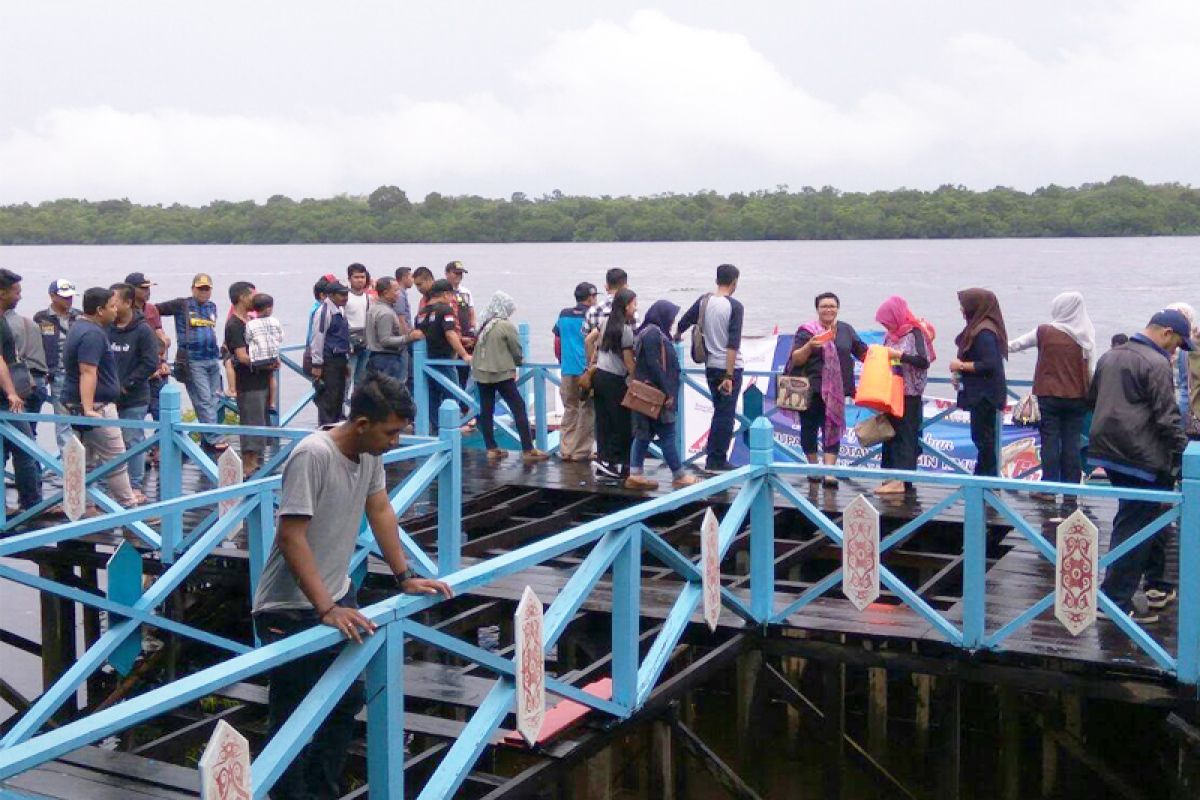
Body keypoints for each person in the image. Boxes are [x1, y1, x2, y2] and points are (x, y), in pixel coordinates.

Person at [251, 374, 452, 798]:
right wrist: (326, 609)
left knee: (344, 701)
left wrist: (404, 576)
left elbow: (379, 509)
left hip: (338, 593)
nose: (395, 442)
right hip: (287, 607)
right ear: (362, 423)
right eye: (391, 432)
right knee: (292, 717)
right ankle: (286, 794)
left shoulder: (369, 453)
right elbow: (291, 536)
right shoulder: (313, 455)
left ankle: (321, 791)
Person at [1090, 309, 1192, 623]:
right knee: (1137, 525)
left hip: (1107, 453)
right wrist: (1183, 452)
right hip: (1143, 456)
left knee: (1139, 517)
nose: (1176, 350)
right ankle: (1113, 600)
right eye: (1177, 342)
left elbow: (1090, 398)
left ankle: (1155, 586)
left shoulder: (1110, 355)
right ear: (1165, 332)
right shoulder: (1156, 362)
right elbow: (1166, 415)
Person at [1008, 292, 1095, 498]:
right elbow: (1090, 369)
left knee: (1050, 442)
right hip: (1076, 398)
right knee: (1072, 443)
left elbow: (1016, 344)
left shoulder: (1045, 331)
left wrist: (995, 345)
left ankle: (1047, 488)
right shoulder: (1085, 334)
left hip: (1048, 396)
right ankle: (1071, 490)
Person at [61, 287, 138, 508]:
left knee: (87, 462)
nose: (116, 311)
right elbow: (87, 371)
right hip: (96, 405)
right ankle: (128, 507)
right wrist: (88, 408)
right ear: (99, 310)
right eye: (112, 306)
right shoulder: (92, 334)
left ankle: (83, 507)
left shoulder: (79, 326)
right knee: (116, 459)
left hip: (77, 401)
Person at [786, 292, 869, 486]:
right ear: (817, 309)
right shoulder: (807, 331)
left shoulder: (846, 330)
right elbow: (795, 358)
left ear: (838, 308)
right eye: (824, 306)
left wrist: (892, 359)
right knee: (809, 429)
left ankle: (829, 472)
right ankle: (814, 469)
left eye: (832, 306)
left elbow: (863, 353)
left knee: (832, 429)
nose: (828, 309)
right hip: (811, 390)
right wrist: (809, 346)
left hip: (836, 392)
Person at [625, 300, 700, 491]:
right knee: (667, 434)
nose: (673, 320)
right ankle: (678, 474)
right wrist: (668, 392)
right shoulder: (652, 334)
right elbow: (654, 364)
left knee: (643, 434)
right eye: (671, 316)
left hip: (648, 393)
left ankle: (636, 473)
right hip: (656, 395)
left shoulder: (649, 332)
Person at [677, 264, 744, 473]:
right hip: (728, 368)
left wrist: (677, 338)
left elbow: (682, 324)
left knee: (719, 412)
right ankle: (716, 460)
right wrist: (729, 375)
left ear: (717, 281)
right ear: (734, 283)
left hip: (710, 365)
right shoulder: (735, 306)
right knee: (725, 415)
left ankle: (713, 456)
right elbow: (733, 344)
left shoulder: (703, 301)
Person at [471, 291, 549, 463]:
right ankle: (528, 448)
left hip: (481, 373)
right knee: (518, 407)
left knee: (486, 409)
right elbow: (516, 348)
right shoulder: (505, 326)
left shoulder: (484, 324)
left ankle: (491, 447)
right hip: (501, 373)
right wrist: (519, 361)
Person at [156, 274, 225, 451]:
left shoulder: (212, 306)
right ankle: (215, 439)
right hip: (193, 360)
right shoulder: (182, 304)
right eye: (200, 288)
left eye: (207, 289)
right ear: (193, 289)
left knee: (214, 399)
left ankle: (206, 438)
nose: (203, 292)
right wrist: (159, 333)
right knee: (203, 400)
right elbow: (154, 310)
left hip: (212, 358)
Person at [874, 296, 934, 495]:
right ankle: (890, 477)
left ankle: (902, 480)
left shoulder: (914, 332)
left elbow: (922, 361)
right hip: (891, 392)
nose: (887, 325)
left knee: (906, 436)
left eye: (888, 320)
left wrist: (898, 355)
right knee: (889, 435)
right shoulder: (890, 336)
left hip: (909, 393)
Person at [108, 283, 158, 503]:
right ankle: (108, 486)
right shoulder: (106, 327)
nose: (111, 305)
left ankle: (135, 486)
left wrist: (127, 384)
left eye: (114, 301)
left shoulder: (143, 329)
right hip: (107, 397)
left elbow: (150, 362)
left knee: (133, 441)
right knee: (108, 442)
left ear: (127, 302)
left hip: (134, 396)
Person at [949, 289, 1008, 477]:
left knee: (984, 439)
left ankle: (985, 480)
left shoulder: (984, 333)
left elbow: (990, 364)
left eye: (964, 305)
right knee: (982, 439)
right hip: (981, 393)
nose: (961, 309)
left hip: (985, 396)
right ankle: (983, 478)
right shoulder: (981, 328)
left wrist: (962, 366)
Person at [0, 269, 41, 514]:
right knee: (26, 448)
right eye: (16, 292)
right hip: (4, 400)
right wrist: (11, 392)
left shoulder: (4, 317)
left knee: (7, 451)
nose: (20, 296)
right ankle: (32, 503)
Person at [586, 288, 638, 480]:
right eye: (634, 304)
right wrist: (636, 378)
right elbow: (628, 361)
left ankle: (604, 460)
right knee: (622, 423)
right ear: (626, 306)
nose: (636, 307)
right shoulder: (626, 330)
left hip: (600, 376)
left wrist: (591, 363)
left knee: (604, 421)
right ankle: (617, 463)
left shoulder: (605, 322)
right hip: (616, 380)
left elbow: (589, 341)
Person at [225, 282, 272, 477]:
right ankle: (249, 469)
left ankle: (258, 466)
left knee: (261, 423)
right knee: (252, 425)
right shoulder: (234, 324)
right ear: (243, 297)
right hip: (249, 382)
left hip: (260, 380)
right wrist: (265, 363)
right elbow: (242, 356)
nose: (256, 299)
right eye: (252, 295)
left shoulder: (249, 322)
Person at [414, 279, 471, 432]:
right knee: (454, 394)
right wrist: (464, 354)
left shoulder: (421, 313)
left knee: (432, 396)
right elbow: (450, 333)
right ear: (446, 294)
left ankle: (437, 427)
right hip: (444, 359)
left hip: (427, 360)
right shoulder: (445, 310)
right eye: (451, 295)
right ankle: (452, 427)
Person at [552, 282, 597, 462]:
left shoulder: (563, 315)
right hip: (585, 370)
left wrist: (562, 360)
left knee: (570, 409)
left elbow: (557, 341)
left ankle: (566, 449)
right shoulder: (591, 315)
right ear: (590, 297)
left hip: (567, 369)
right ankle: (581, 451)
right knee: (587, 410)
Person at [34, 279, 81, 453]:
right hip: (57, 373)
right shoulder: (41, 318)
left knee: (82, 421)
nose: (69, 300)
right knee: (63, 422)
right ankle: (69, 468)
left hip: (80, 373)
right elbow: (38, 345)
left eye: (71, 297)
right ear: (53, 296)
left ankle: (84, 466)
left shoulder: (79, 316)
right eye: (65, 297)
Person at [124, 272, 169, 432]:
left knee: (163, 413)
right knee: (134, 418)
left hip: (155, 367)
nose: (147, 292)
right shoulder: (124, 311)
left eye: (148, 288)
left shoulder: (151, 309)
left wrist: (162, 361)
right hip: (134, 370)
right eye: (143, 288)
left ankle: (159, 450)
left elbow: (160, 337)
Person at [308, 280, 351, 426]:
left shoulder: (340, 310)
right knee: (328, 398)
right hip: (328, 360)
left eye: (346, 294)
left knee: (339, 396)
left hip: (340, 358)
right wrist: (317, 364)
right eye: (342, 295)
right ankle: (326, 429)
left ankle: (335, 428)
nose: (345, 297)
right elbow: (317, 338)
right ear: (331, 295)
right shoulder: (324, 312)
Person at [366, 277, 422, 384]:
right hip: (386, 359)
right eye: (396, 290)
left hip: (376, 357)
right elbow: (385, 340)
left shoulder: (374, 308)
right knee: (390, 393)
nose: (399, 294)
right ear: (386, 293)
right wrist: (409, 338)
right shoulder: (385, 313)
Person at [1165, 302, 1200, 438]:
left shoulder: (1180, 346)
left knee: (1184, 389)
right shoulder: (1192, 343)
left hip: (1184, 403)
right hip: (1190, 404)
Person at [345, 263, 373, 387]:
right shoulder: (345, 297)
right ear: (349, 279)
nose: (360, 280)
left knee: (361, 381)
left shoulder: (367, 298)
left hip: (365, 343)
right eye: (356, 277)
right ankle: (342, 405)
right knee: (347, 380)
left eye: (362, 277)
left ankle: (357, 405)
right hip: (349, 344)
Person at [391, 267, 416, 391]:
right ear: (404, 278)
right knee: (406, 374)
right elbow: (401, 318)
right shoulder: (400, 295)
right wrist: (407, 337)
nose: (413, 280)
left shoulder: (402, 293)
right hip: (404, 339)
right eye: (411, 277)